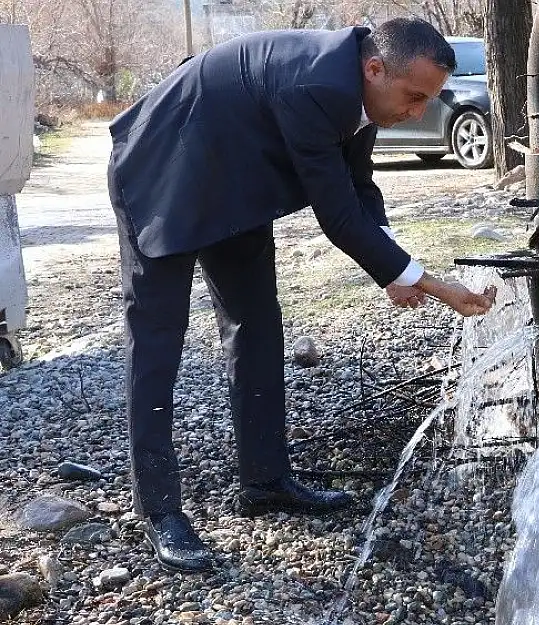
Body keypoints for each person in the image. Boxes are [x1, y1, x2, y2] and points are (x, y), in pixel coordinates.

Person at [106, 18, 496, 573]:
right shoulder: (319, 87)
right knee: (158, 336)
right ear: (374, 68)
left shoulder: (364, 90)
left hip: (234, 180)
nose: (417, 112)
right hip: (163, 168)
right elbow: (336, 214)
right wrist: (428, 283)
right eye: (414, 97)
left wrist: (398, 271)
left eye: (427, 100)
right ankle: (160, 509)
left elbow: (359, 188)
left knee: (257, 323)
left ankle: (265, 480)